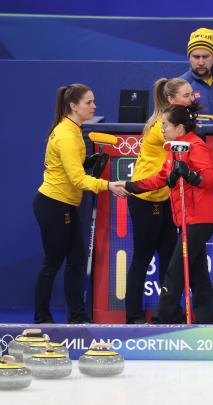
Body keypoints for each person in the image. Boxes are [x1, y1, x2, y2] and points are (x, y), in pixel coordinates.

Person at [34, 83, 128, 324]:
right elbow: (76, 178)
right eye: (89, 102)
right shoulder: (66, 134)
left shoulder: (74, 129)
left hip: (67, 204)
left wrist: (88, 165)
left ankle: (77, 317)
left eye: (93, 101)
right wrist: (107, 185)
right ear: (73, 106)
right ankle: (41, 318)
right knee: (53, 262)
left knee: (76, 260)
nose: (94, 106)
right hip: (53, 204)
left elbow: (74, 171)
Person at [125, 105, 213, 324]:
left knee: (175, 272)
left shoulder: (196, 146)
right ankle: (205, 321)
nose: (162, 128)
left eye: (165, 125)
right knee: (198, 273)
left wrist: (192, 176)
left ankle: (163, 319)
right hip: (184, 218)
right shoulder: (173, 148)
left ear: (179, 127)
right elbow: (161, 178)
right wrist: (131, 186)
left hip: (199, 219)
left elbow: (210, 180)